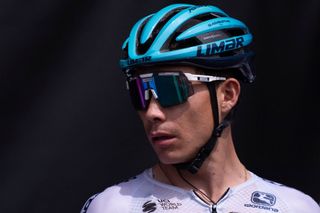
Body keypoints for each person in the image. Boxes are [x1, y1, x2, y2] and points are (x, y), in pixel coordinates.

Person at [81, 3, 320, 213]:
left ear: (228, 94)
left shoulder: (297, 208)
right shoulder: (112, 207)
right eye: (139, 93)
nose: (152, 112)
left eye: (170, 89)